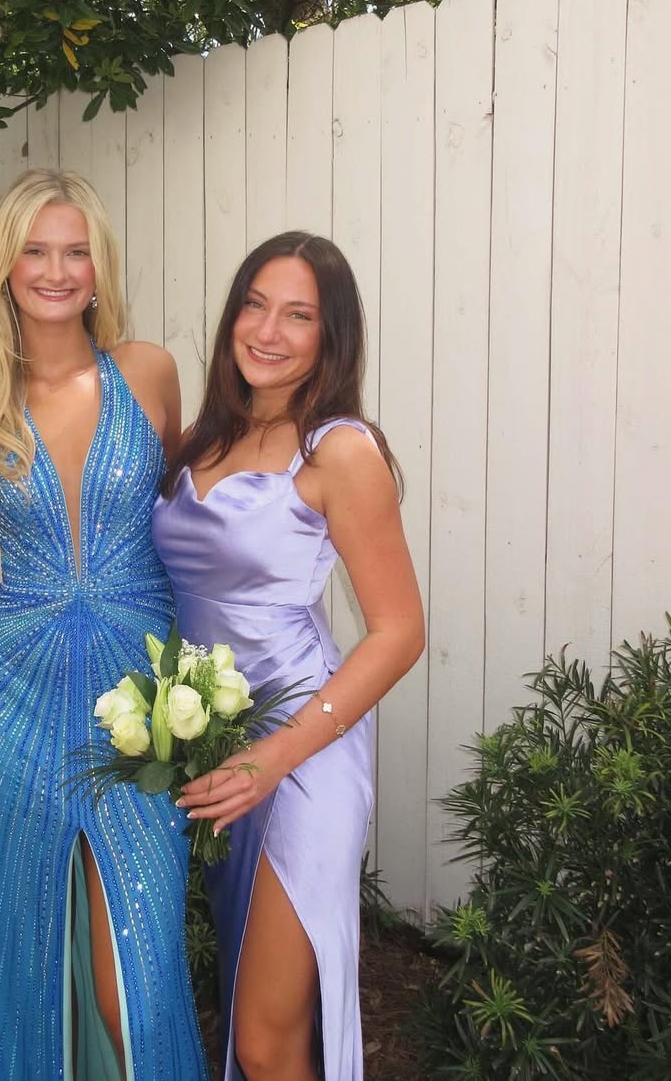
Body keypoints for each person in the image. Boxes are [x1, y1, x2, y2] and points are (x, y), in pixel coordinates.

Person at [0, 169, 208, 1080]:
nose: (56, 270)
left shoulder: (150, 373)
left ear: (98, 267)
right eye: (35, 251)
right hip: (12, 699)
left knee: (139, 964)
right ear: (5, 269)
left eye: (75, 251)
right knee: (31, 951)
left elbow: (186, 530)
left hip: (139, 699)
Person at [152, 231, 425, 1081]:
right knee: (254, 1010)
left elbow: (399, 631)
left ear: (330, 336)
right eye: (255, 305)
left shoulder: (339, 449)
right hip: (215, 742)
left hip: (305, 749)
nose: (267, 331)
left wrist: (274, 757)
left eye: (298, 315)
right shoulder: (199, 439)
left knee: (265, 1038)